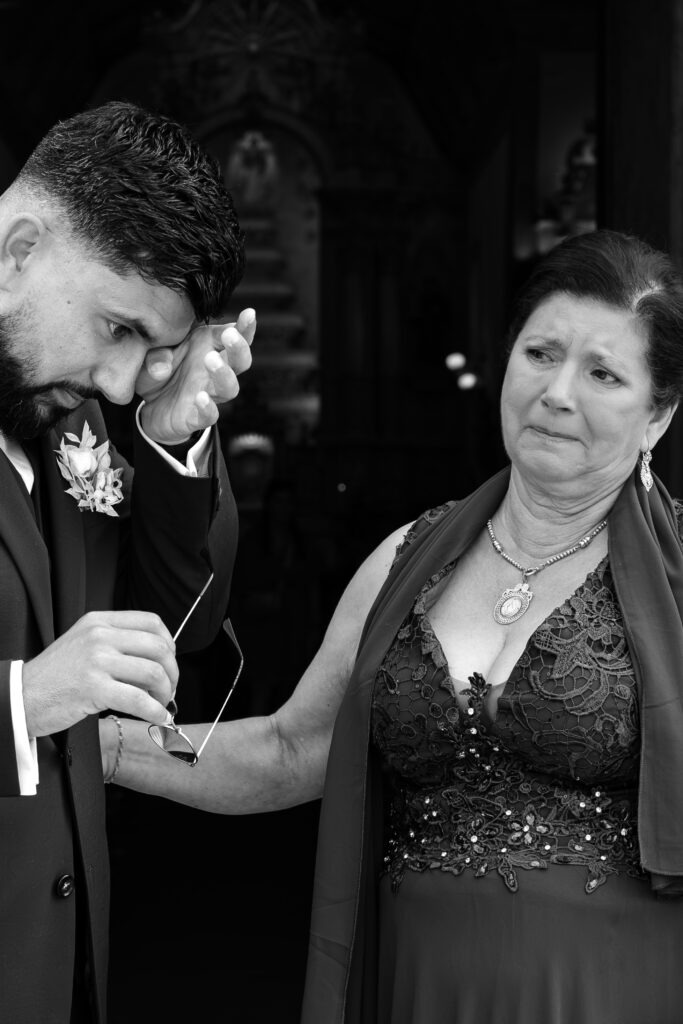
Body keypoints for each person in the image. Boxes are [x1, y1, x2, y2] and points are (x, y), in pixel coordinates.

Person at [100, 228, 683, 1024]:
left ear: (657, 416)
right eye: (540, 354)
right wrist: (95, 745)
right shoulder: (407, 558)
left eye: (602, 373)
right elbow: (289, 749)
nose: (556, 392)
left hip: (612, 991)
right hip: (418, 984)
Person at [0, 101, 255, 1023]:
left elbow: (178, 629)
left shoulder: (75, 414)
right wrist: (23, 701)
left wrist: (169, 437)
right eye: (118, 328)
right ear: (20, 249)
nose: (118, 381)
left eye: (153, 349)